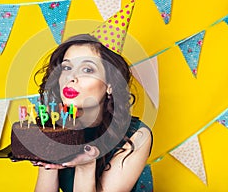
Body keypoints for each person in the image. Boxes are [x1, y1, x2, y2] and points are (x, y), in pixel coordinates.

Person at [33, 33, 153, 192]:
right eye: (67, 68)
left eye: (87, 69)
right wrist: (47, 156)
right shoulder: (57, 127)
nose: (71, 77)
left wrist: (87, 165)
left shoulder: (138, 136)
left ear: (110, 84)